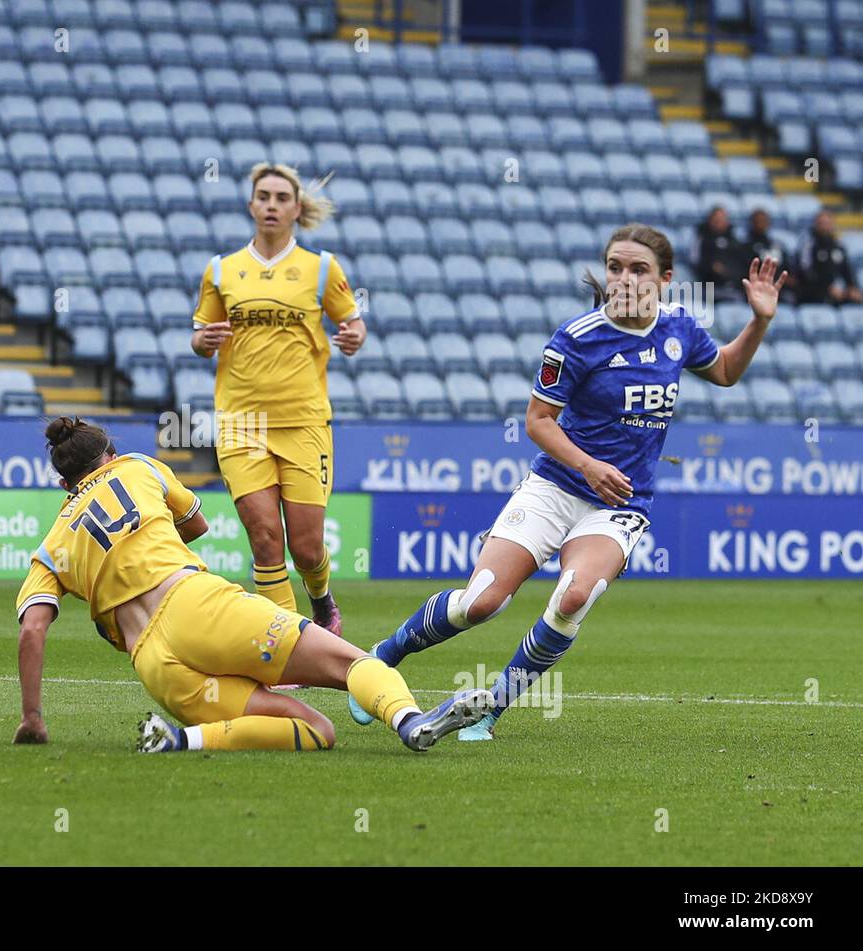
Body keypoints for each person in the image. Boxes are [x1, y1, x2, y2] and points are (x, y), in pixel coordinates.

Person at [349, 223, 786, 740]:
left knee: (574, 597)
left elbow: (727, 371)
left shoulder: (680, 330)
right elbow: (538, 422)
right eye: (615, 267)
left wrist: (759, 320)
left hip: (620, 504)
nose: (624, 278)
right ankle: (385, 655)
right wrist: (589, 466)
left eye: (639, 269)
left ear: (665, 279)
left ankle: (491, 709)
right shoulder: (577, 339)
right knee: (481, 604)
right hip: (556, 487)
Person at [12, 417, 492, 753]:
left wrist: (33, 719)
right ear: (109, 455)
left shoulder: (52, 544)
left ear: (62, 484)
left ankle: (181, 740)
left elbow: (32, 631)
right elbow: (195, 524)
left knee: (314, 730)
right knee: (353, 664)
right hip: (196, 608)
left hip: (157, 668)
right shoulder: (137, 466)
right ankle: (410, 722)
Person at [188, 162, 365, 635]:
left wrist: (353, 337)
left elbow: (353, 322)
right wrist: (204, 342)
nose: (271, 204)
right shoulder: (222, 270)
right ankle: (287, 645)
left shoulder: (321, 267)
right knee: (265, 540)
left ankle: (321, 598)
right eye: (263, 196)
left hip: (304, 420)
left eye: (281, 197)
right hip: (241, 422)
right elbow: (201, 335)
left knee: (306, 548)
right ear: (251, 206)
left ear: (296, 208)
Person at [796, 210, 862, 304]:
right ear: (816, 224)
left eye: (828, 223)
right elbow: (806, 272)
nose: (825, 226)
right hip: (813, 294)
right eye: (822, 223)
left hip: (837, 293)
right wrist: (827, 288)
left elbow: (847, 270)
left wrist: (852, 287)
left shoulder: (838, 246)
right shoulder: (808, 245)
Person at [693, 206, 747, 300]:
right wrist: (712, 268)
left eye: (722, 219)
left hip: (733, 287)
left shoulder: (734, 241)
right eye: (716, 219)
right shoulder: (703, 238)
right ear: (710, 220)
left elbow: (740, 264)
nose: (719, 222)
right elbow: (696, 261)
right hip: (709, 286)